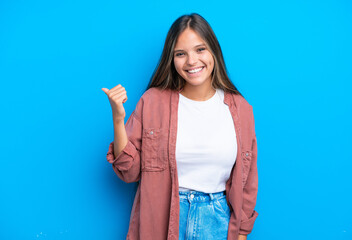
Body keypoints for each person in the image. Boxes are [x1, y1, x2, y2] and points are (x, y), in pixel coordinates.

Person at [102, 13, 259, 240]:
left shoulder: (241, 109)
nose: (192, 61)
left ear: (213, 51)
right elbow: (129, 172)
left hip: (217, 222)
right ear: (171, 59)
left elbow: (248, 179)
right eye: (181, 54)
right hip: (162, 220)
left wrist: (242, 234)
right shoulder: (153, 101)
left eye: (200, 50)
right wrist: (118, 119)